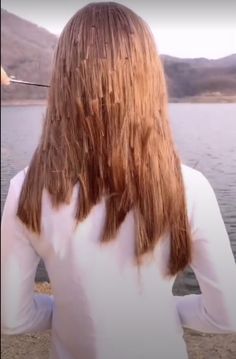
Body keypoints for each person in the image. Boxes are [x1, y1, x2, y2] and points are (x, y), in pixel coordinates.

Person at [1, 2, 236, 359]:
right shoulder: (192, 188)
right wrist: (162, 312)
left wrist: (68, 311)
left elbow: (11, 318)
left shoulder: (24, 188)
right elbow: (227, 315)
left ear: (62, 80)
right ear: (150, 81)